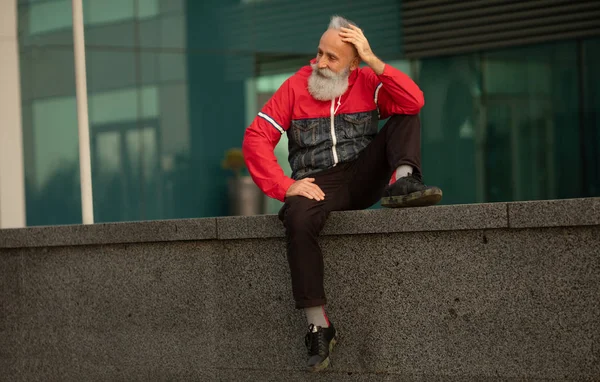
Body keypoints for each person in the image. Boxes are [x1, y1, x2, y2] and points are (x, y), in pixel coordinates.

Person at [242, 15, 442, 372]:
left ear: (353, 61)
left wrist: (375, 61)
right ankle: (319, 326)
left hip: (363, 175)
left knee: (406, 112)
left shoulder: (368, 79)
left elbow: (413, 101)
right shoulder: (294, 86)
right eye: (319, 53)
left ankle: (404, 181)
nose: (320, 63)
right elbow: (256, 137)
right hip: (318, 183)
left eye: (332, 57)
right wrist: (286, 185)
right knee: (298, 219)